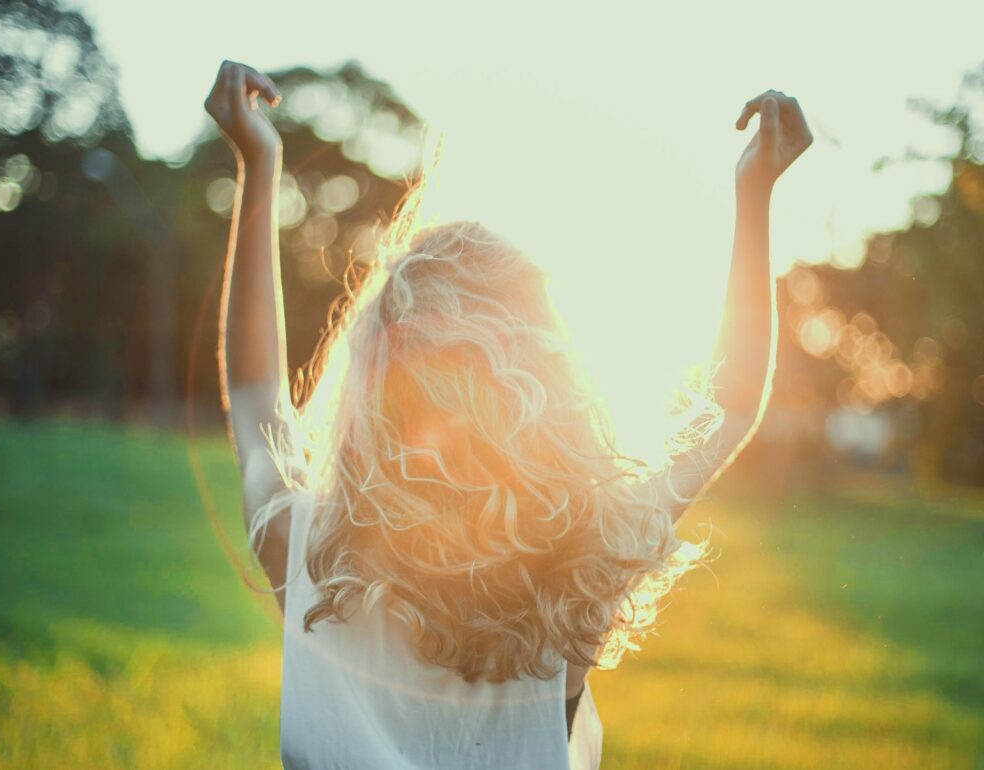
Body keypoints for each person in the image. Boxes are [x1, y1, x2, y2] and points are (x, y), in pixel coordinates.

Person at [205, 59, 812, 770]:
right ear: (550, 393)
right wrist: (755, 192)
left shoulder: (305, 549)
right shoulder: (580, 568)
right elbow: (729, 402)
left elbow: (256, 395)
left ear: (369, 390)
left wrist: (259, 162)